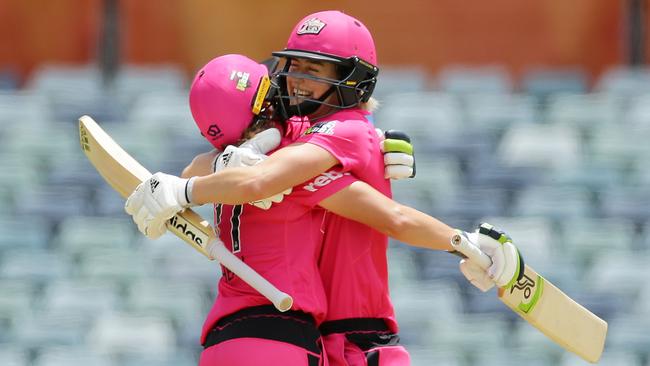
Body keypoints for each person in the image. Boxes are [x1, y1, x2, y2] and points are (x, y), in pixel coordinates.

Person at [125, 11, 524, 366]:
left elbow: (389, 214)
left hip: (349, 339)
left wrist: (188, 185)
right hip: (320, 340)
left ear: (350, 79)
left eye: (313, 70)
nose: (295, 81)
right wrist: (213, 168)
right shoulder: (290, 149)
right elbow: (387, 214)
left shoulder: (323, 140)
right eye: (294, 67)